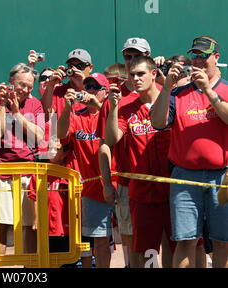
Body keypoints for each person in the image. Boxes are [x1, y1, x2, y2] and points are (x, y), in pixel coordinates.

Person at [151, 36, 228, 268]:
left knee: (222, 242)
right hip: (185, 177)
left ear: (216, 58)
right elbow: (157, 122)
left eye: (203, 56)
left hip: (221, 177)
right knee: (185, 241)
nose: (198, 60)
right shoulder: (179, 94)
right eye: (195, 56)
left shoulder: (225, 89)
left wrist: (207, 90)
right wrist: (166, 86)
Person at [105, 55, 176, 268]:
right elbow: (110, 139)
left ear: (154, 74)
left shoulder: (172, 101)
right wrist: (113, 107)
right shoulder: (126, 107)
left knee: (175, 245)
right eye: (132, 75)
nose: (136, 79)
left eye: (141, 74)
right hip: (143, 192)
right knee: (149, 251)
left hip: (174, 190)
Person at [96, 37, 158, 268]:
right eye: (127, 56)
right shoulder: (115, 98)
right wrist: (106, 183)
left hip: (162, 182)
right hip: (128, 183)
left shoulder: (162, 92)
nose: (131, 62)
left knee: (162, 244)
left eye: (136, 56)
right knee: (133, 246)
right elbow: (105, 145)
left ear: (148, 58)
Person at [57, 72, 116, 268]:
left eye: (95, 88)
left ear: (105, 92)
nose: (90, 91)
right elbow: (62, 134)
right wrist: (67, 108)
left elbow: (114, 134)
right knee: (98, 240)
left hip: (118, 182)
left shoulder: (112, 111)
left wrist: (98, 107)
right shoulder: (77, 116)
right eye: (87, 87)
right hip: (92, 187)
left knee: (130, 236)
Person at [0, 63, 45, 254]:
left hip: (28, 174)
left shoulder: (35, 104)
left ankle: (28, 269)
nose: (26, 90)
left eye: (30, 87)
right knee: (1, 226)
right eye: (22, 85)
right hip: (2, 173)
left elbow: (39, 135)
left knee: (29, 226)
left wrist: (16, 113)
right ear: (11, 82)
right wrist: (3, 106)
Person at [41, 48, 93, 122]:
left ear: (90, 68)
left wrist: (84, 87)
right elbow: (44, 116)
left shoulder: (97, 88)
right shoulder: (59, 92)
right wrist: (50, 85)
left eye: (80, 66)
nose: (74, 69)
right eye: (71, 66)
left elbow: (103, 113)